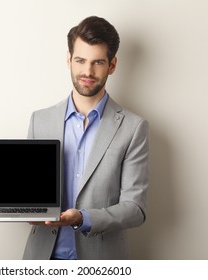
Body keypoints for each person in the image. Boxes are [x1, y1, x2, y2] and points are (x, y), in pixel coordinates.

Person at [22, 16, 149, 260]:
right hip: (41, 259)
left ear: (112, 65)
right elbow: (28, 193)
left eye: (98, 62)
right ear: (69, 60)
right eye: (80, 60)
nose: (87, 72)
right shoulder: (40, 120)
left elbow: (135, 209)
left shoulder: (134, 128)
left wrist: (84, 218)